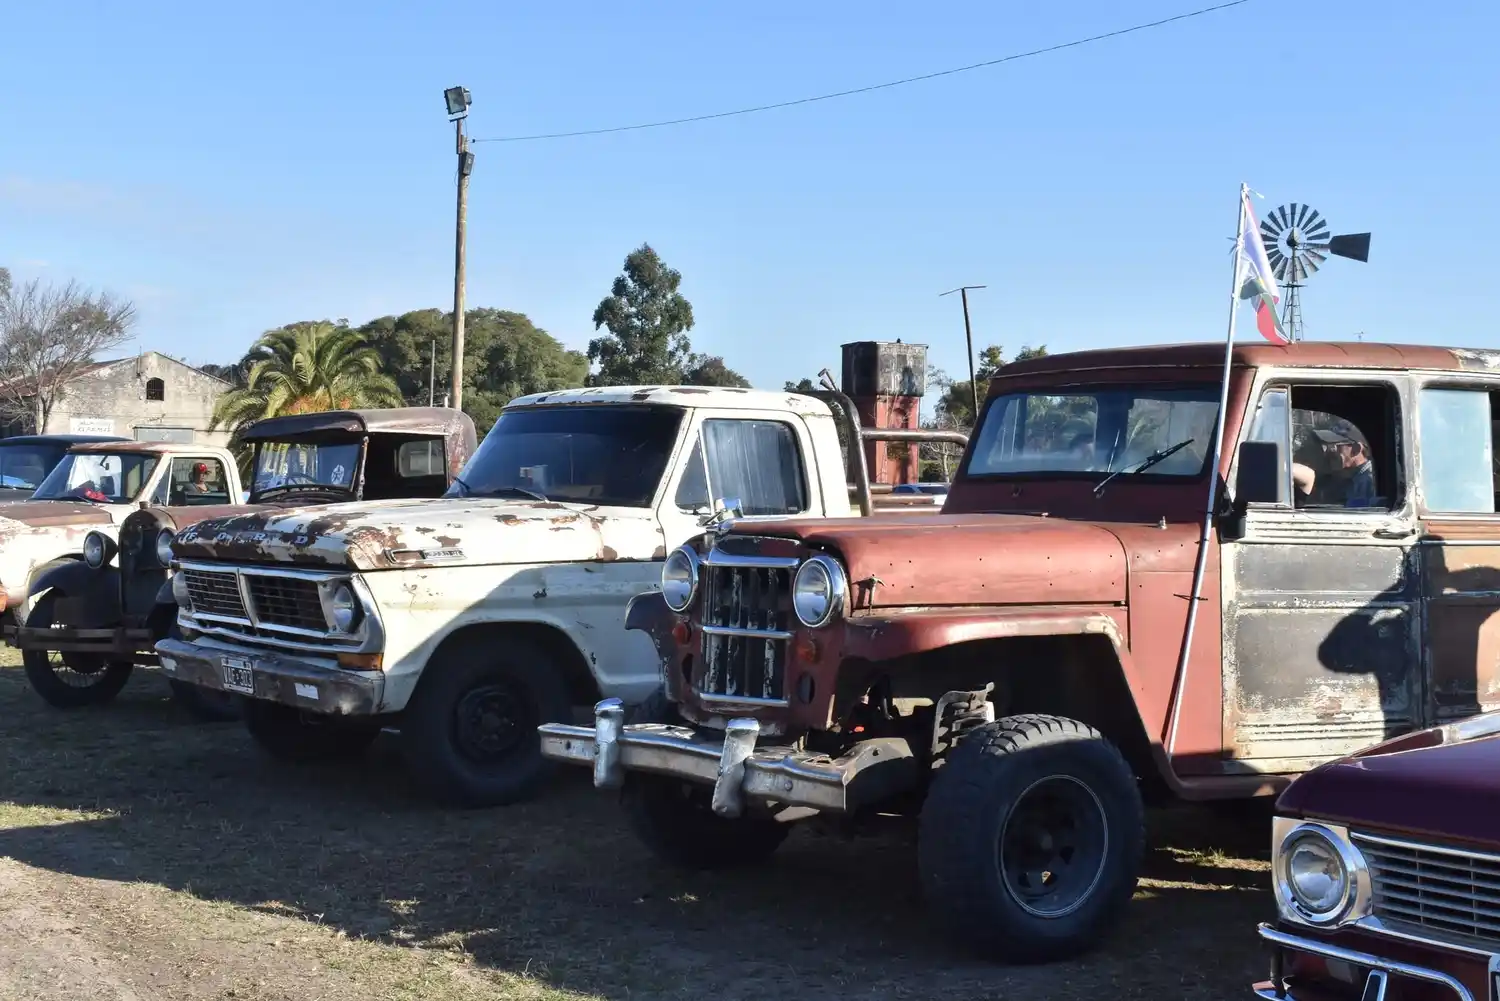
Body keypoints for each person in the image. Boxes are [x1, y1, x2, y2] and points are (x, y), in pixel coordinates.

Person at [1313, 428, 1377, 507]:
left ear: (1356, 449)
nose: (1330, 451)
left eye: (1335, 446)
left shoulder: (1371, 481)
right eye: (1327, 446)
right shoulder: (1345, 479)